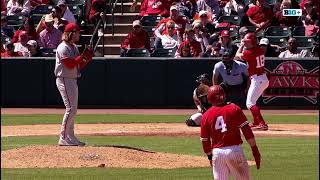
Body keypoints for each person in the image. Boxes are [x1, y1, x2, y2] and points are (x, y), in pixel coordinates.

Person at [200, 85, 261, 180]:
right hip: (234, 151)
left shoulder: (206, 115)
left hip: (217, 153)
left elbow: (205, 140)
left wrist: (209, 156)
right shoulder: (234, 108)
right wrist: (254, 149)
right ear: (223, 95)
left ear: (209, 98)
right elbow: (247, 131)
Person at [55, 23, 94, 146]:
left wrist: (87, 58)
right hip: (64, 79)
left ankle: (70, 136)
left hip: (72, 78)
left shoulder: (73, 47)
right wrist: (81, 57)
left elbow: (78, 65)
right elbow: (69, 64)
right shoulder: (63, 47)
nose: (79, 34)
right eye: (77, 32)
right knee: (71, 109)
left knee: (73, 110)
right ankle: (63, 137)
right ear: (71, 33)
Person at [235, 33, 269, 130]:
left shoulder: (248, 53)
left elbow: (236, 56)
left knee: (250, 103)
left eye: (247, 42)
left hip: (257, 79)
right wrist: (245, 43)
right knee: (252, 102)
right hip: (262, 78)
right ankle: (256, 122)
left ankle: (262, 123)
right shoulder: (260, 50)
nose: (246, 43)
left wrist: (241, 46)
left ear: (253, 42)